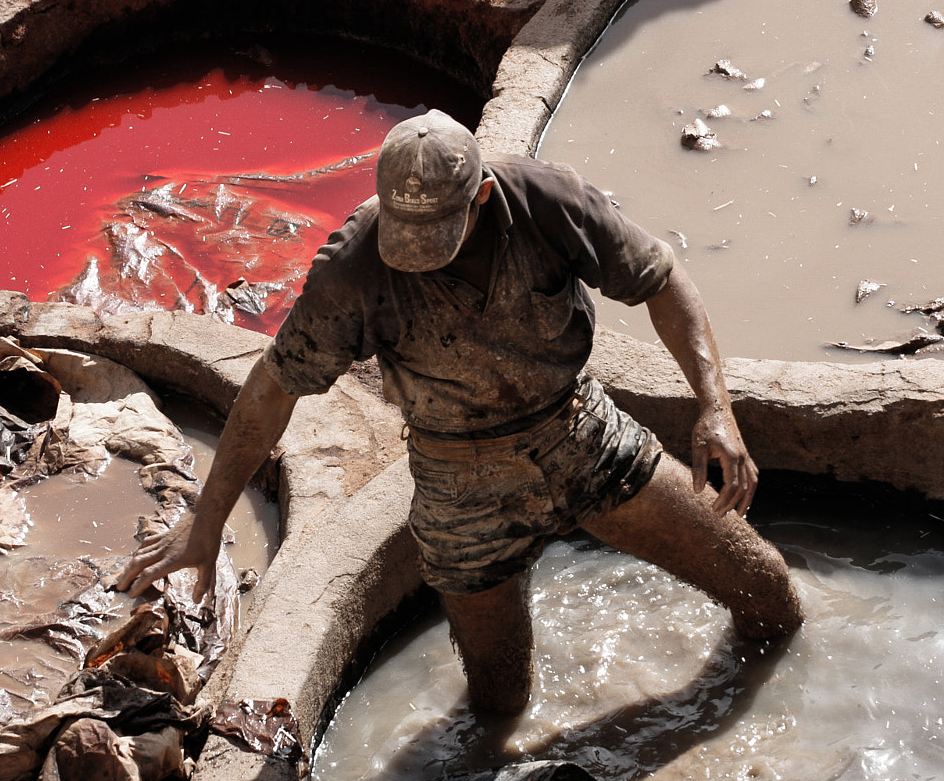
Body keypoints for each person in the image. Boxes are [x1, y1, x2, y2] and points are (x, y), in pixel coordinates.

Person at [117, 110, 802, 714]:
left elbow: (662, 278)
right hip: (457, 479)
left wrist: (715, 407)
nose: (417, 262)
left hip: (577, 430)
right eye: (405, 239)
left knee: (769, 597)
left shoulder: (545, 201)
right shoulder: (353, 269)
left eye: (437, 239)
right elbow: (273, 389)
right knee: (501, 700)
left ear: (482, 194)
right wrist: (206, 523)